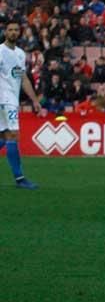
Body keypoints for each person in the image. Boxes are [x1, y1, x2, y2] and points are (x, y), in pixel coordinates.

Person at [0, 21, 42, 189]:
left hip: (11, 99)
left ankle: (20, 178)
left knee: (3, 138)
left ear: (20, 33)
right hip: (4, 100)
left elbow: (23, 79)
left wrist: (34, 100)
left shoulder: (20, 54)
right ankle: (20, 178)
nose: (13, 32)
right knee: (13, 136)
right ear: (5, 32)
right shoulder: (0, 51)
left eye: (16, 30)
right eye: (10, 30)